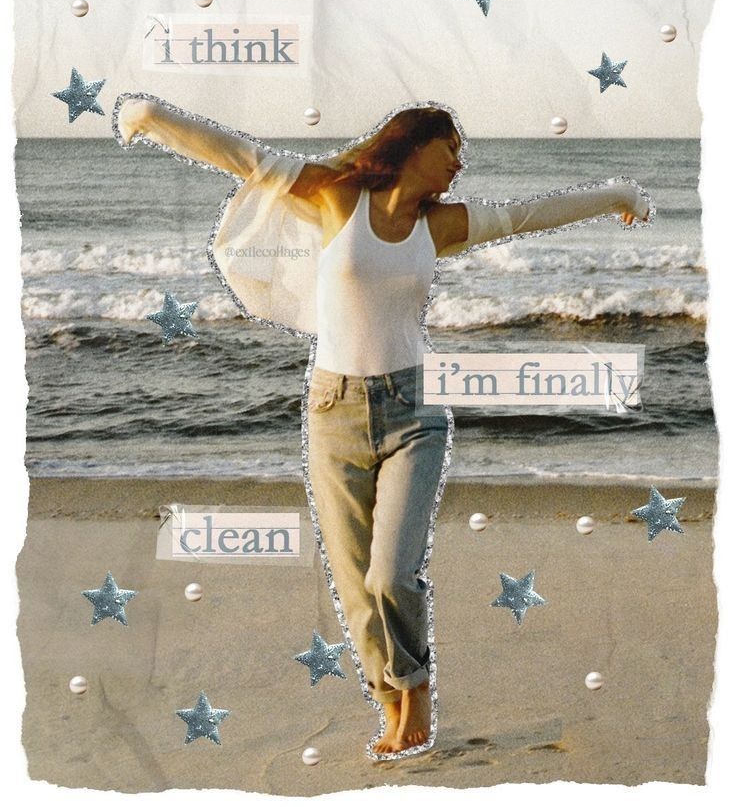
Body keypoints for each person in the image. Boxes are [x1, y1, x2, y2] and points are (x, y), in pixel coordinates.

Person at [115, 95, 650, 757]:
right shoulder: (337, 197)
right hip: (332, 412)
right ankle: (391, 704)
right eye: (449, 147)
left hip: (414, 414)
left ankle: (415, 688)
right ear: (413, 145)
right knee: (353, 583)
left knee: (390, 575)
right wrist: (151, 117)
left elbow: (529, 215)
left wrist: (616, 192)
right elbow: (244, 159)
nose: (459, 162)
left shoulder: (442, 226)